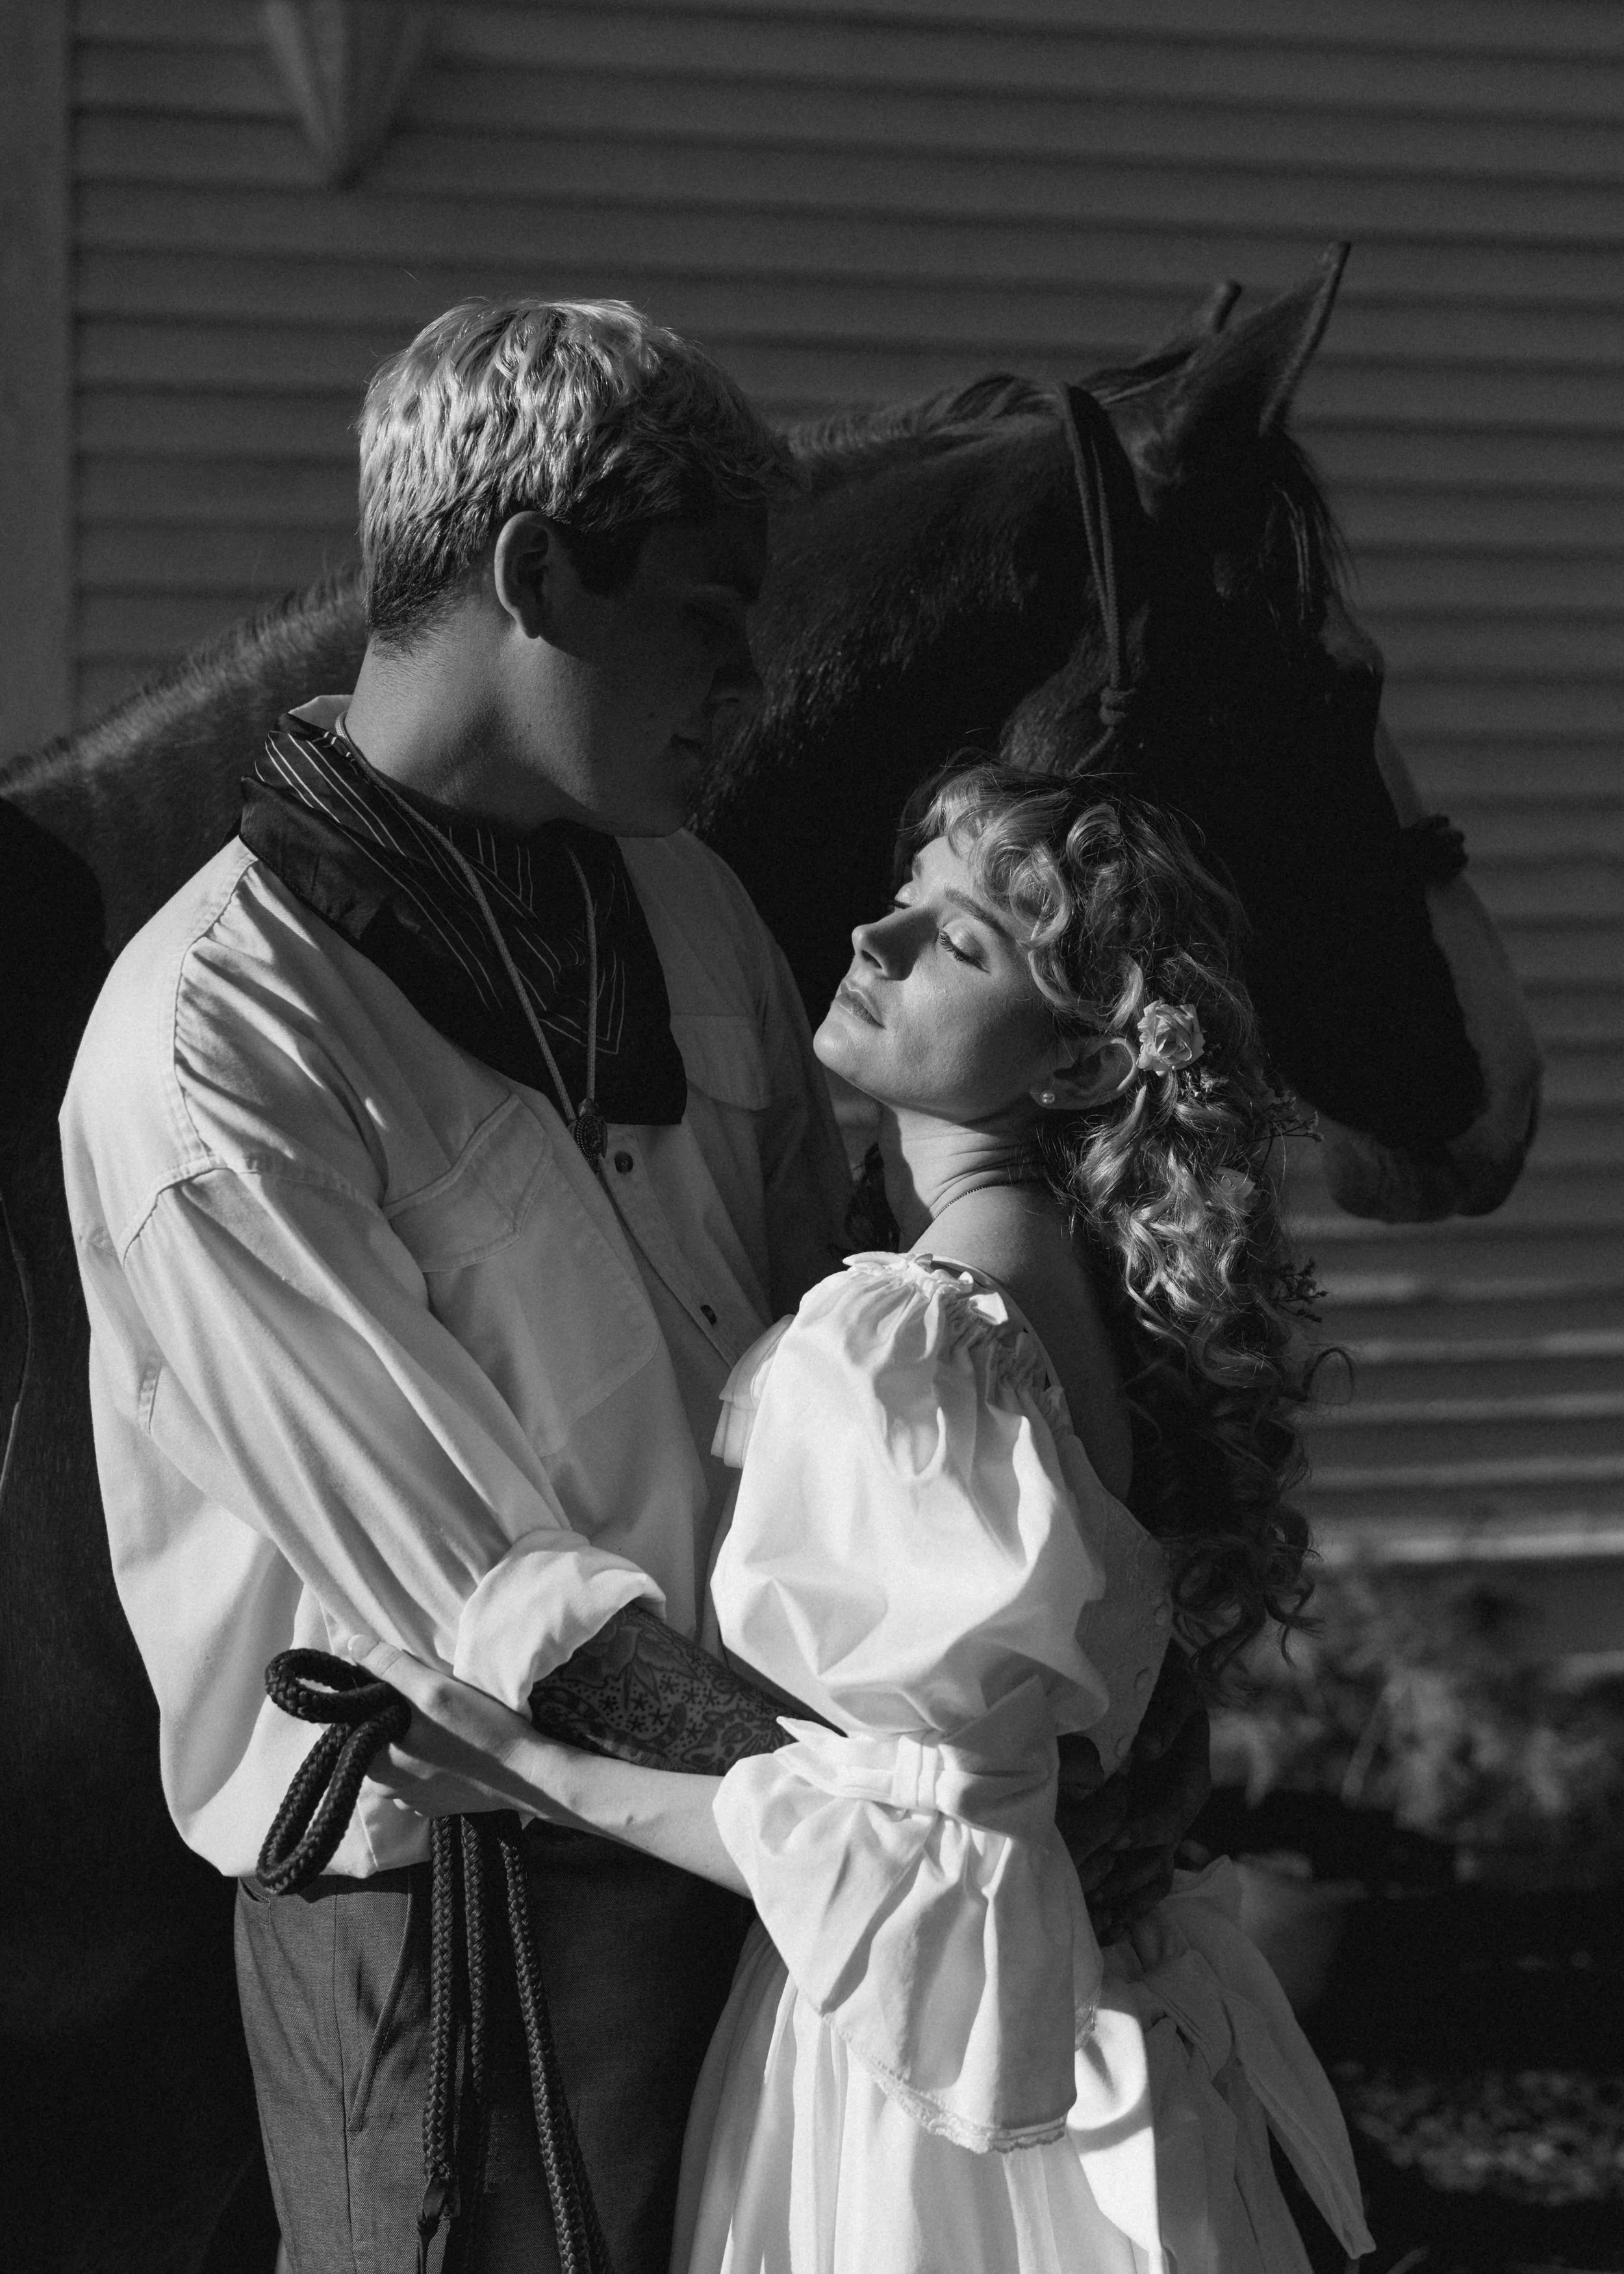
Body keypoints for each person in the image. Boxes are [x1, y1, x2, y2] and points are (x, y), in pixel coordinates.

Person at [61, 302, 1208, 2273]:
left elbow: (831, 1370)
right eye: (702, 612)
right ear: (529, 576)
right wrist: (908, 1827)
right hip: (466, 1903)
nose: (750, 675)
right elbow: (503, 1604)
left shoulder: (684, 902)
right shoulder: (211, 1047)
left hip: (774, 1880)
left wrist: (971, 1788)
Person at [370, 763, 1375, 2272]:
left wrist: (531, 1766)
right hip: (1068, 2004)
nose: (872, 935)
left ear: (1072, 1066)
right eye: (906, 890)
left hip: (926, 2090)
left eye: (960, 944)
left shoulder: (910, 1340)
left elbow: (925, 1854)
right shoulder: (1049, 1273)